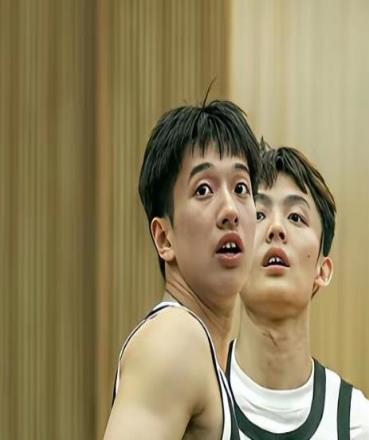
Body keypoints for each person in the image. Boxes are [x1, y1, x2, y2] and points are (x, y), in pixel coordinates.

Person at [103, 99, 260, 439]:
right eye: (203, 190)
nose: (230, 210)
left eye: (241, 188)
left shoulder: (209, 357)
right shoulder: (175, 338)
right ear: (164, 238)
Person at [226, 145, 369, 439]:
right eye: (259, 214)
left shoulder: (362, 427)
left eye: (295, 217)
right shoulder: (194, 404)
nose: (276, 228)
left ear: (322, 270)